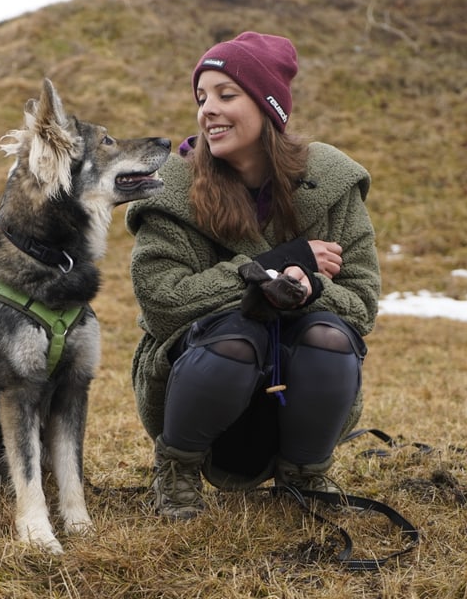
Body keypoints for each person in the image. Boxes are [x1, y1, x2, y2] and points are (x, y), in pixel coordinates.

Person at [125, 31, 380, 520]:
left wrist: (310, 288)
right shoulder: (174, 187)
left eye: (226, 95)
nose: (207, 110)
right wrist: (271, 265)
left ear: (268, 108)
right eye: (202, 98)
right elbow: (162, 303)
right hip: (200, 382)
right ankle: (176, 472)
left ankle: (304, 475)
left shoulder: (330, 180)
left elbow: (362, 304)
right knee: (237, 338)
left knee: (329, 335)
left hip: (297, 392)